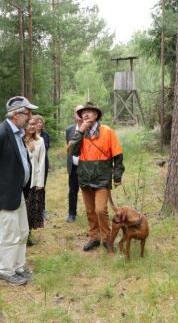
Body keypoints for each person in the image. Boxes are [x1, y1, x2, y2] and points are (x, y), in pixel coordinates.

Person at [0, 96, 38, 286]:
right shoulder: (0, 134)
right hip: (3, 195)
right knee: (9, 234)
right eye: (27, 113)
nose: (30, 117)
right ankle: (6, 270)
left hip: (17, 192)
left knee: (23, 231)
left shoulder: (18, 133)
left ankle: (18, 267)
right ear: (16, 115)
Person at [68, 102, 125, 252]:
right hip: (85, 178)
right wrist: (80, 131)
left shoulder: (107, 131)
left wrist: (117, 176)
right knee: (90, 211)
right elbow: (72, 151)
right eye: (83, 112)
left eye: (89, 112)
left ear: (96, 115)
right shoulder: (80, 132)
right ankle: (94, 238)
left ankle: (106, 239)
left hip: (102, 178)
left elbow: (118, 155)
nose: (85, 114)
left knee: (100, 210)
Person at [23, 117, 46, 245]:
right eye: (29, 124)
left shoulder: (40, 141)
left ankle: (28, 235)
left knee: (31, 209)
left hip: (34, 180)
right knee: (23, 209)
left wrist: (40, 183)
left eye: (33, 124)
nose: (32, 126)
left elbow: (42, 162)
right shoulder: (19, 140)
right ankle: (21, 234)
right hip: (22, 181)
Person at [65, 105, 84, 222]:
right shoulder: (69, 130)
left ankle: (91, 213)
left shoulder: (90, 129)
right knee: (72, 190)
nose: (79, 114)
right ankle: (72, 214)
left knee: (89, 191)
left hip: (87, 167)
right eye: (77, 112)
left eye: (81, 112)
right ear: (74, 115)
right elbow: (69, 148)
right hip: (73, 166)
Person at [33, 114, 50, 219]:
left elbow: (46, 148)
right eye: (37, 122)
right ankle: (32, 209)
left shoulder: (46, 136)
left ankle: (42, 210)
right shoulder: (29, 134)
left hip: (43, 163)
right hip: (32, 164)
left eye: (41, 122)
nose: (39, 124)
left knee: (41, 186)